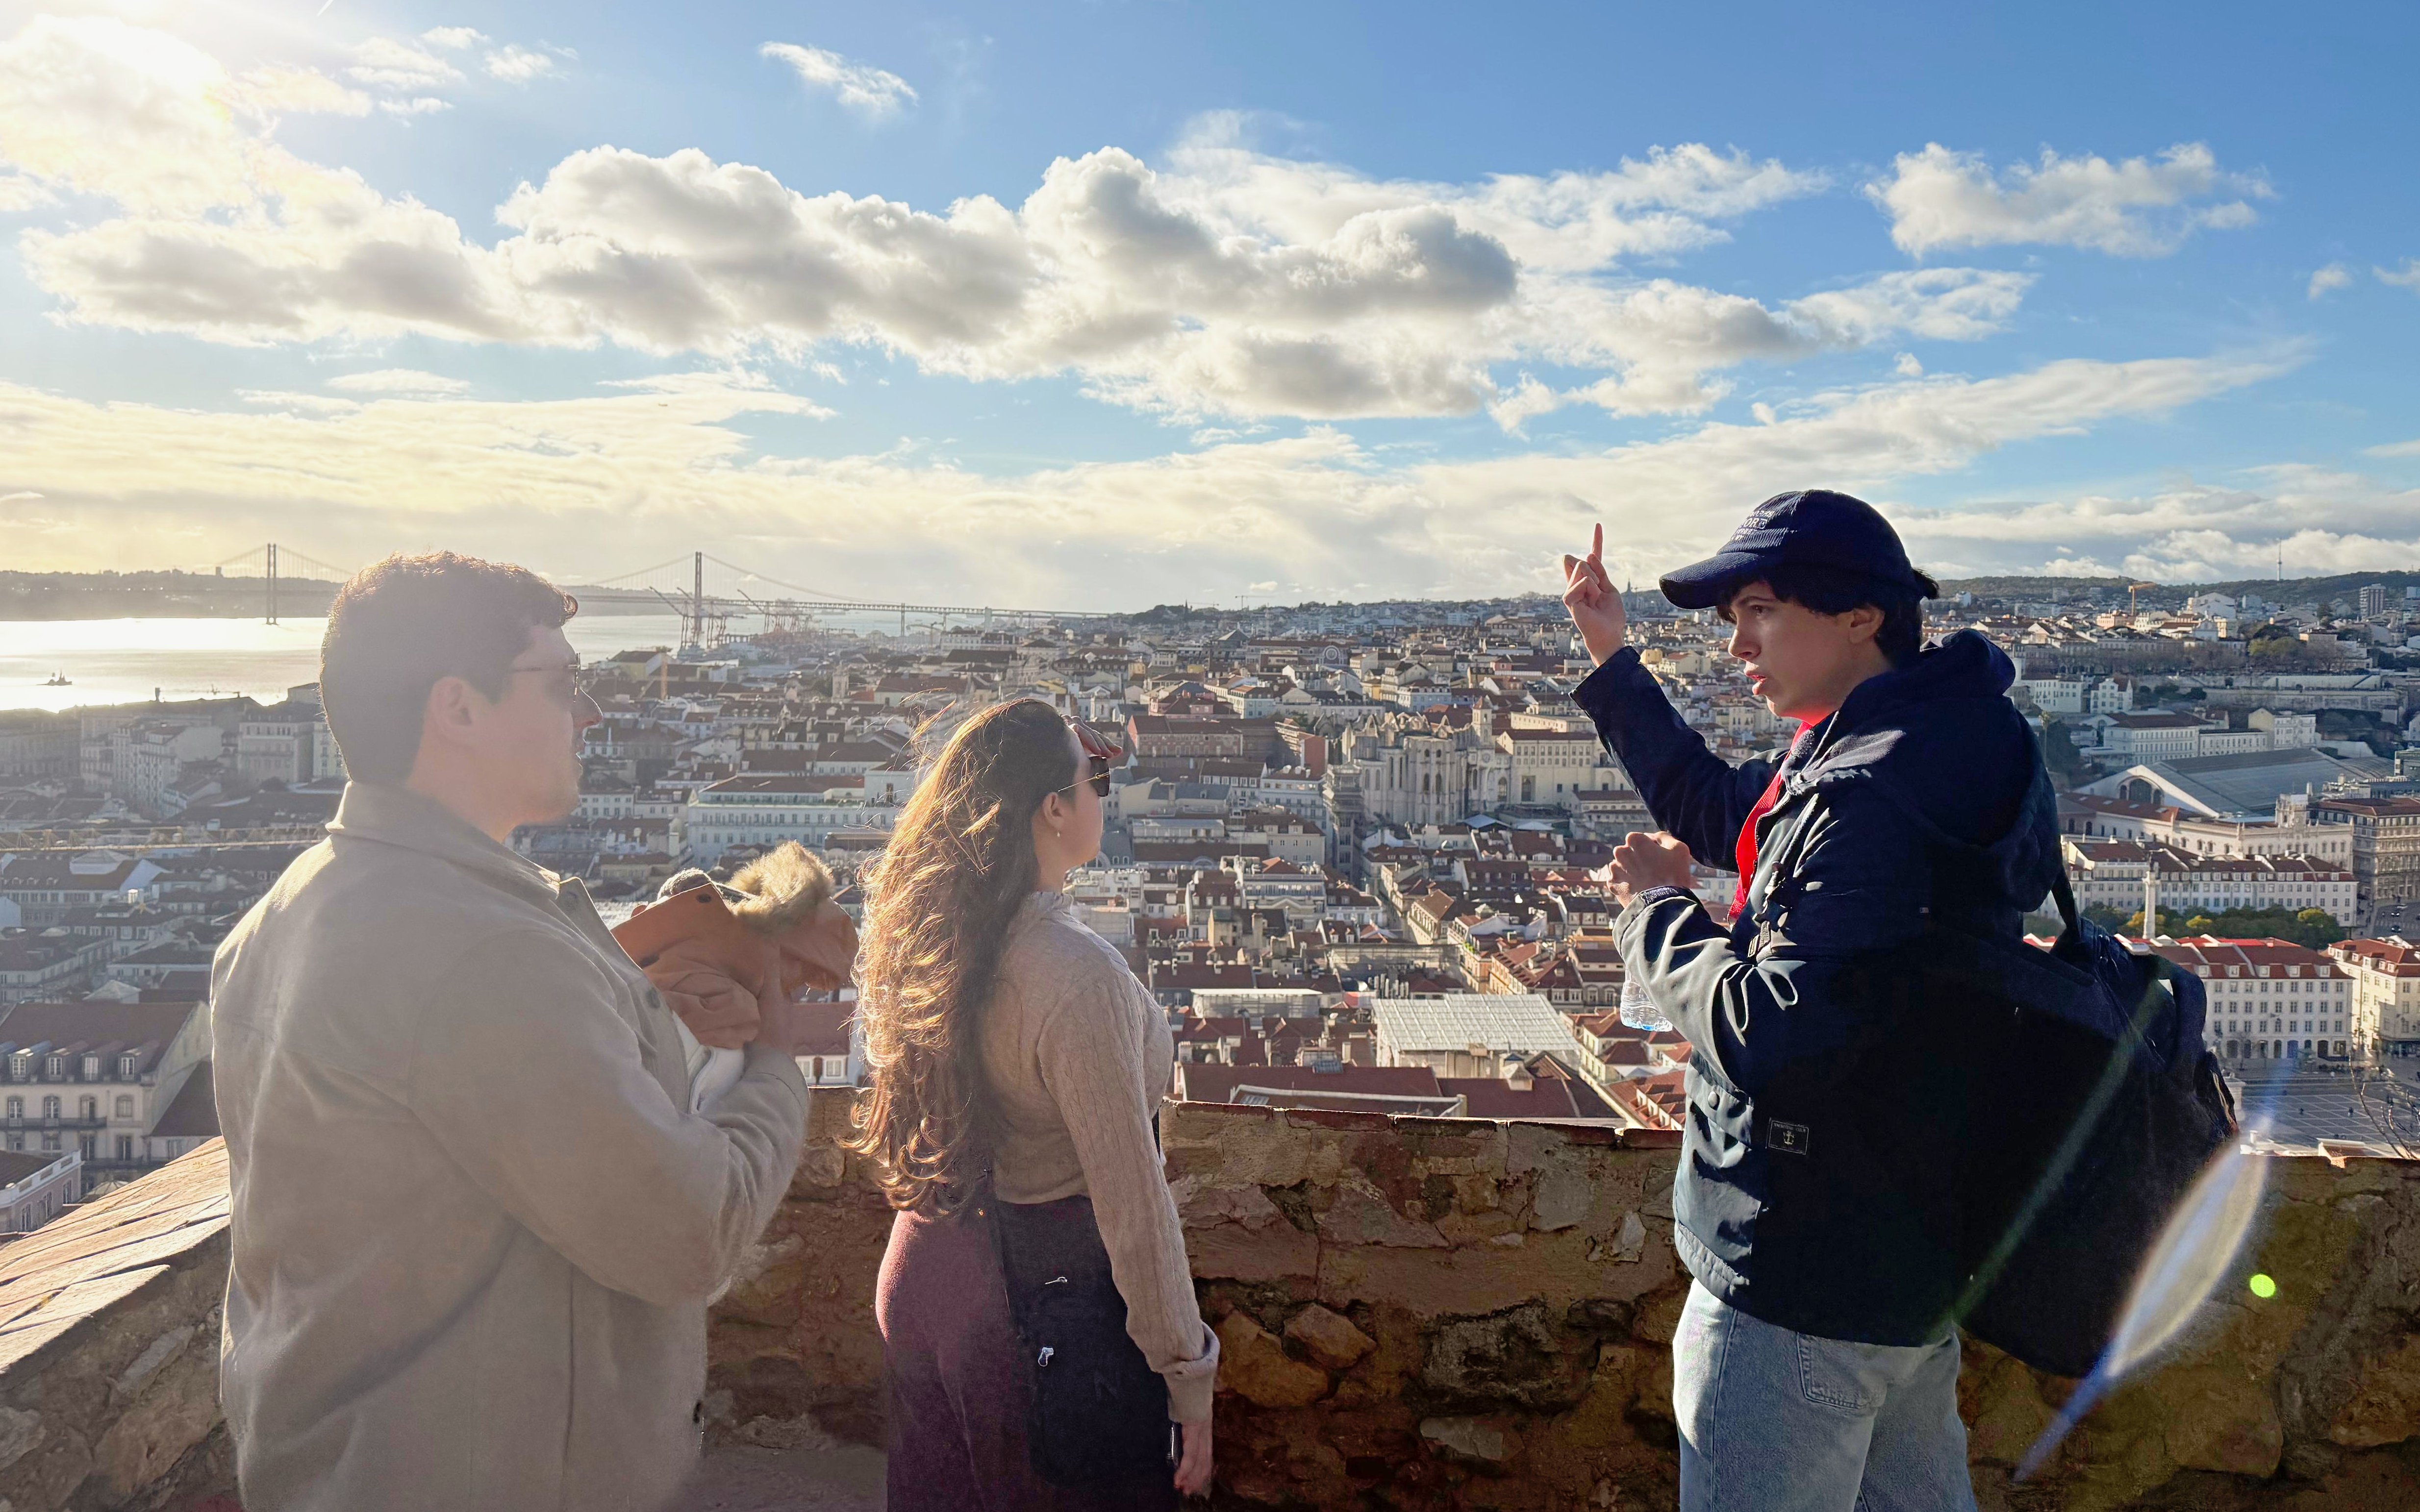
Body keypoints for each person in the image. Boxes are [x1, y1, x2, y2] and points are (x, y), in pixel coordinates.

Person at [210, 553, 814, 1512]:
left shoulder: (284, 913)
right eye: (564, 682)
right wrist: (778, 1063)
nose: (593, 715)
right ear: (458, 708)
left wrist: (627, 1012)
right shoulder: (481, 957)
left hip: (339, 1463)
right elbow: (690, 1233)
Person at [1558, 492, 2061, 1512]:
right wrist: (1610, 656)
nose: (1736, 645)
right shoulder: (1939, 743)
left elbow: (1768, 1034)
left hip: (1795, 1272)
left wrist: (1657, 912)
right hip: (1911, 1262)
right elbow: (1721, 808)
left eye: (1758, 612)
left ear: (1858, 616)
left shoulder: (1868, 792)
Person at [853, 699, 1217, 1509]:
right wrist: (1190, 1379)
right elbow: (1134, 1204)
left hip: (929, 1275)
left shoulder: (933, 932)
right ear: (1053, 809)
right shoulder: (1073, 974)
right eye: (1094, 780)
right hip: (1040, 1310)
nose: (1103, 794)